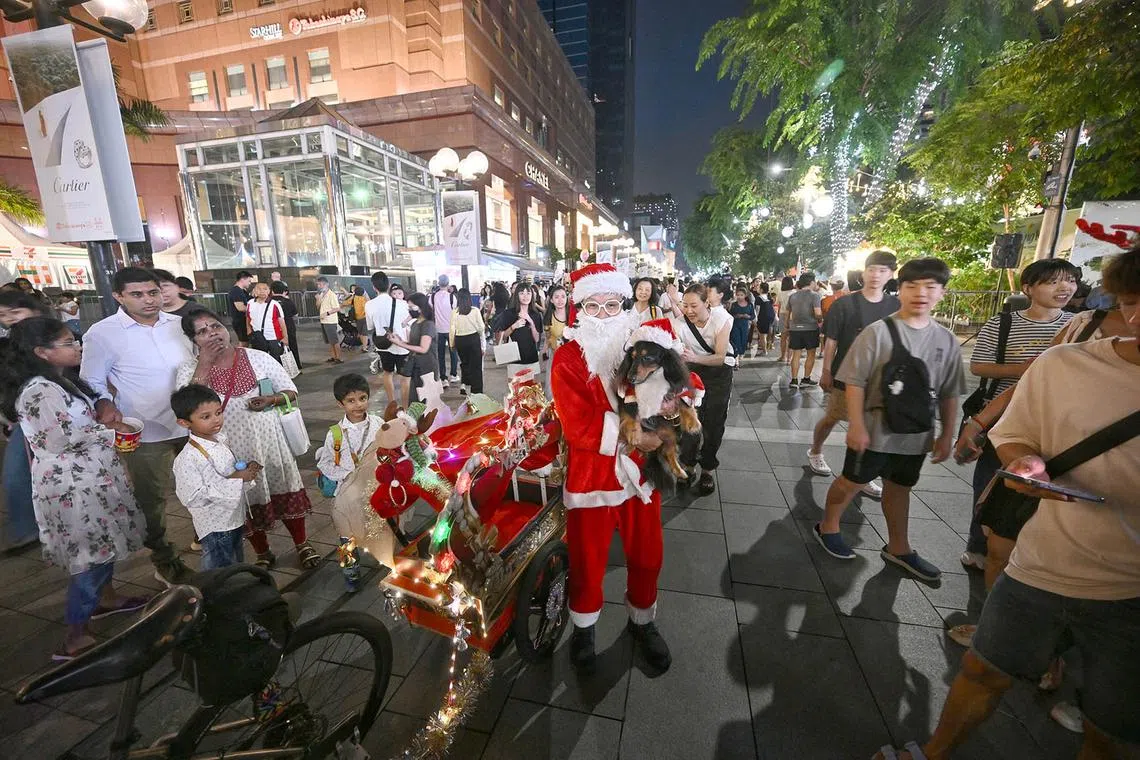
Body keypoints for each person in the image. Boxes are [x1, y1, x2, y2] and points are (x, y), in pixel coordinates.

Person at [877, 245, 1140, 760]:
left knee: (1111, 726)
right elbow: (1017, 429)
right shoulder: (1066, 362)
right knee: (982, 670)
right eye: (1132, 301)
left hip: (1131, 589)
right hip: (1042, 561)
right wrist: (1023, 460)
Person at [2, 317, 148, 659]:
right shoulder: (39, 390)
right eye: (68, 343)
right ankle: (75, 635)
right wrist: (115, 431)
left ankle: (107, 599)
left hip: (92, 475)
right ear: (42, 352)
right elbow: (59, 439)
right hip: (73, 484)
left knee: (103, 543)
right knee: (89, 556)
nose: (77, 346)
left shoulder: (61, 380)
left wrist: (102, 410)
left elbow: (84, 414)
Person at [551, 263, 671, 675]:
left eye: (612, 305)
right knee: (587, 561)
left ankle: (643, 621)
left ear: (623, 305)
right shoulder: (567, 357)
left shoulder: (639, 345)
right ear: (579, 308)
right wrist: (635, 435)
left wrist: (667, 420)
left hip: (640, 472)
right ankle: (584, 629)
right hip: (593, 476)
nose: (603, 314)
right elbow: (576, 424)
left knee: (648, 554)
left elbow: (664, 388)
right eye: (594, 306)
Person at [813, 258, 965, 581]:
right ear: (902, 289)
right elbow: (854, 381)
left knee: (900, 487)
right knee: (852, 481)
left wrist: (946, 433)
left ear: (942, 292)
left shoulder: (946, 339)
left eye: (930, 287)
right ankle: (828, 525)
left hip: (916, 433)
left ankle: (899, 546)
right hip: (874, 429)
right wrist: (855, 425)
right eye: (912, 286)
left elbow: (950, 391)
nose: (921, 293)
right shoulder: (877, 333)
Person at [959, 258, 1079, 572]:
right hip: (1005, 417)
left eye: (1069, 280)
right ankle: (979, 546)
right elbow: (979, 365)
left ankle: (1023, 550)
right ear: (1028, 288)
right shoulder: (1004, 324)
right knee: (989, 483)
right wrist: (1025, 371)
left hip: (1054, 421)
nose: (1063, 287)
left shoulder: (1080, 325)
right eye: (1052, 281)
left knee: (1041, 488)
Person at [176, 309, 317, 570]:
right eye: (202, 332)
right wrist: (205, 363)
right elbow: (187, 403)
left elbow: (291, 390)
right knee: (244, 500)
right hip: (229, 453)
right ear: (193, 340)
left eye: (215, 326)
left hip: (271, 444)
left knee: (283, 488)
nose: (212, 334)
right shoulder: (189, 370)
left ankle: (302, 543)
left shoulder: (258, 358)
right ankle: (262, 552)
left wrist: (271, 399)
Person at [81, 267, 193, 584]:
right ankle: (165, 559)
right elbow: (92, 382)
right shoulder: (102, 333)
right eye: (137, 294)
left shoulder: (179, 324)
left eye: (153, 292)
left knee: (203, 486)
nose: (148, 300)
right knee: (151, 500)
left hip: (194, 425)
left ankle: (212, 541)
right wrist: (106, 406)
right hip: (147, 432)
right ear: (118, 296)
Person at [807, 250, 899, 500]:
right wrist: (826, 371)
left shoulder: (895, 305)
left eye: (882, 270)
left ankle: (863, 476)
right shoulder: (844, 304)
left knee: (871, 426)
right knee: (833, 417)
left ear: (891, 275)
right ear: (864, 272)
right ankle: (815, 450)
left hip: (881, 379)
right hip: (845, 375)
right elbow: (831, 340)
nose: (876, 275)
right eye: (872, 269)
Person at [171, 384, 261, 571]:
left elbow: (228, 472)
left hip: (232, 518)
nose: (216, 420)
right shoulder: (188, 458)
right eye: (206, 417)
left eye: (218, 412)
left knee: (234, 563)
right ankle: (214, 596)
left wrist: (245, 472)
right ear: (184, 422)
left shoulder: (218, 440)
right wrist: (237, 479)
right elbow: (192, 496)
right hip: (216, 525)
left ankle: (235, 590)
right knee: (218, 569)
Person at [676, 283, 734, 495]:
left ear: (706, 303)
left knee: (713, 423)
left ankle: (707, 469)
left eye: (694, 305)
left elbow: (720, 357)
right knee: (689, 421)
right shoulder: (680, 323)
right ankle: (688, 466)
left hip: (718, 375)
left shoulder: (722, 320)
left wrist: (694, 357)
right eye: (685, 306)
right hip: (692, 373)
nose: (689, 310)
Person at [314, 373, 383, 493]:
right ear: (340, 404)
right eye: (351, 400)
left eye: (362, 398)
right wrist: (348, 476)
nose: (359, 404)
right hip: (348, 489)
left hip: (378, 483)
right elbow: (325, 464)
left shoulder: (378, 423)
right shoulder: (335, 433)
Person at [364, 271, 411, 405]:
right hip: (401, 344)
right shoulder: (402, 304)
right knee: (404, 377)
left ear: (374, 287)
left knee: (387, 372)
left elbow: (370, 325)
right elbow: (406, 323)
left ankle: (392, 403)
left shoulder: (369, 305)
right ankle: (405, 406)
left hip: (383, 344)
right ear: (389, 285)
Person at [389, 292, 438, 405]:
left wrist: (401, 344)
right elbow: (413, 344)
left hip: (427, 368)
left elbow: (423, 348)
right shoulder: (416, 323)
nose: (410, 310)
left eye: (412, 307)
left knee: (426, 403)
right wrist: (399, 341)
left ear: (421, 307)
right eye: (409, 307)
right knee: (415, 400)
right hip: (416, 366)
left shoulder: (428, 325)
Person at [493, 281, 544, 379]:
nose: (525, 296)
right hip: (514, 358)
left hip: (531, 357)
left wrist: (531, 322)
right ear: (517, 295)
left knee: (530, 391)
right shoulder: (508, 313)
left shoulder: (536, 315)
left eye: (528, 293)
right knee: (516, 391)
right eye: (522, 293)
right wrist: (514, 326)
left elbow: (537, 339)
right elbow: (503, 336)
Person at [786, 273, 823, 387]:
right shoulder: (815, 296)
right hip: (810, 328)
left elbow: (788, 313)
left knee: (796, 354)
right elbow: (817, 313)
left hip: (795, 328)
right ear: (811, 282)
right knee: (810, 354)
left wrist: (787, 325)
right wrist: (821, 319)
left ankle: (794, 380)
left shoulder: (792, 296)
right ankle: (806, 379)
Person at [449, 288, 486, 396]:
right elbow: (481, 327)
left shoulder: (455, 312)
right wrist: (482, 342)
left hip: (460, 340)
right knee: (476, 367)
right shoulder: (475, 310)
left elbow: (452, 329)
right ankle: (476, 392)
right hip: (473, 339)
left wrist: (452, 343)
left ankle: (465, 384)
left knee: (465, 364)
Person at [245, 281, 288, 364]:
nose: (262, 291)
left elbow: (282, 322)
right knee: (260, 361)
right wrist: (249, 331)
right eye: (259, 289)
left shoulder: (275, 304)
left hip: (273, 337)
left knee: (275, 361)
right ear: (254, 291)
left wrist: (285, 337)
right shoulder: (250, 303)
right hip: (258, 337)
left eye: (265, 289)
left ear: (269, 291)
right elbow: (248, 318)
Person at [430, 275, 460, 386]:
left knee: (440, 354)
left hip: (438, 329)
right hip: (451, 329)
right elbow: (456, 313)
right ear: (448, 284)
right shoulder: (452, 297)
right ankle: (453, 375)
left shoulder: (432, 297)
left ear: (438, 283)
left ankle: (443, 378)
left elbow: (430, 310)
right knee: (453, 353)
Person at [270, 281, 302, 370]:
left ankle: (278, 367)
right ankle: (295, 366)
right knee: (292, 346)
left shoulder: (269, 302)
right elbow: (295, 314)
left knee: (275, 348)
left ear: (272, 291)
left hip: (274, 328)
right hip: (289, 326)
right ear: (284, 291)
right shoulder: (288, 301)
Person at [316, 276, 343, 364]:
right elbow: (318, 306)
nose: (319, 286)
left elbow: (337, 308)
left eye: (320, 284)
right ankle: (333, 356)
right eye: (318, 284)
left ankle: (338, 358)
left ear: (325, 284)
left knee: (334, 340)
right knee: (330, 341)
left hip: (330, 321)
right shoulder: (322, 294)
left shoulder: (332, 295)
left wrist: (327, 313)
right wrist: (318, 299)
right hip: (324, 321)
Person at [727, 286, 756, 360]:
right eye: (738, 295)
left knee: (744, 339)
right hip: (735, 324)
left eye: (741, 295)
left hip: (745, 325)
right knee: (736, 338)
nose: (739, 297)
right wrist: (736, 316)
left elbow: (753, 316)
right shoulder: (734, 305)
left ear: (745, 295)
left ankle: (742, 353)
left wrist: (748, 316)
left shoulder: (749, 305)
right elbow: (729, 315)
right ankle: (737, 353)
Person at [227, 271, 254, 348]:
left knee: (245, 342)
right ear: (242, 279)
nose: (250, 283)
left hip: (243, 320)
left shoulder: (242, 291)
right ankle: (241, 358)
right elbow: (240, 307)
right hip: (240, 321)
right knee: (244, 343)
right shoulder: (236, 291)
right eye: (249, 281)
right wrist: (255, 310)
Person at [776, 275, 795, 362]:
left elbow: (779, 306)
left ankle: (783, 356)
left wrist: (779, 315)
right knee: (791, 338)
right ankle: (789, 358)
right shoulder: (794, 293)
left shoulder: (780, 293)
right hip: (792, 315)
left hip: (783, 315)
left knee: (783, 338)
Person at [350, 285, 370, 351]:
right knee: (364, 333)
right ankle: (364, 347)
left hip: (358, 318)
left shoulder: (354, 298)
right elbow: (369, 305)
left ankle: (364, 346)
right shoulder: (364, 299)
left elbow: (346, 302)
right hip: (364, 317)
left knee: (362, 333)